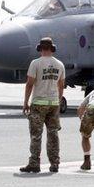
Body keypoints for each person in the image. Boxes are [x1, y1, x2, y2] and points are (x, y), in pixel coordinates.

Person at [20, 37, 66, 173]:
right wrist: (57, 100)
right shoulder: (60, 64)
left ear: (40, 49)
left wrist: (25, 102)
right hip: (53, 103)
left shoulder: (35, 63)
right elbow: (61, 85)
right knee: (53, 134)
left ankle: (34, 163)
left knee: (36, 135)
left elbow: (29, 84)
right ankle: (55, 163)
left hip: (39, 103)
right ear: (52, 48)